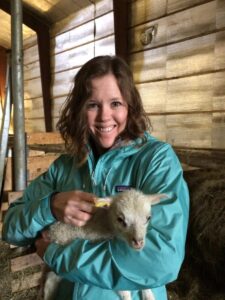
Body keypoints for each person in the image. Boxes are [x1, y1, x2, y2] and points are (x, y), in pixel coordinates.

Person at [2, 55, 189, 300]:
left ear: (129, 106)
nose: (104, 116)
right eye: (93, 105)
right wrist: (50, 206)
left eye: (115, 103)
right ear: (80, 109)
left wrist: (57, 255)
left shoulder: (155, 160)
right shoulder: (65, 167)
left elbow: (161, 260)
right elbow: (11, 228)